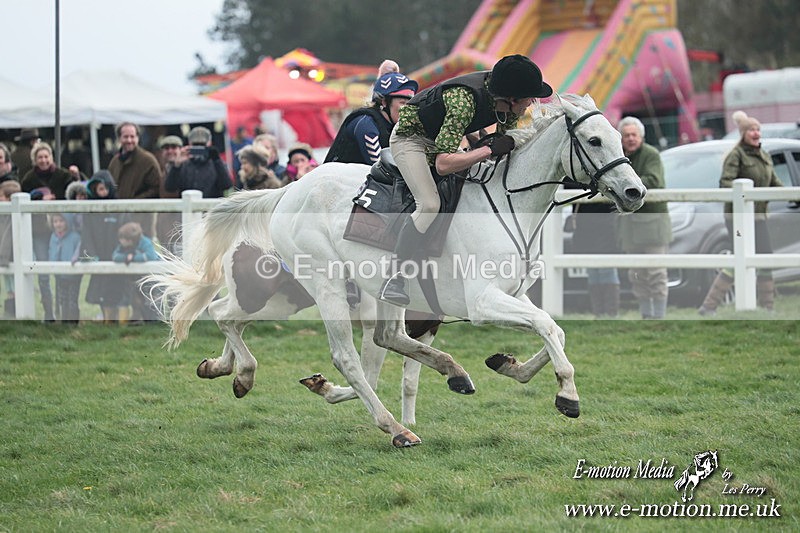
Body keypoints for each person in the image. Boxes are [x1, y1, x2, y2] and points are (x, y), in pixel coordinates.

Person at [379, 54, 553, 305]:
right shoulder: (463, 101)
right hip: (411, 139)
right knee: (430, 205)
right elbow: (443, 164)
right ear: (512, 98)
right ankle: (394, 277)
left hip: (439, 137)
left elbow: (503, 152)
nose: (531, 103)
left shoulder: (506, 103)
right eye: (529, 98)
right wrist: (488, 150)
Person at [698, 111, 784, 315]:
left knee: (765, 257)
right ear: (743, 133)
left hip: (759, 216)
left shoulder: (764, 155)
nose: (755, 133)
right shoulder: (736, 155)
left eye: (757, 129)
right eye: (751, 130)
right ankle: (709, 305)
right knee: (741, 257)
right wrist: (746, 196)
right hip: (738, 218)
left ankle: (767, 307)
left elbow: (774, 182)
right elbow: (725, 183)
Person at [615, 117, 672, 319]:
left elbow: (654, 181)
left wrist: (626, 184)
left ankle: (659, 315)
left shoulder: (651, 154)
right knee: (636, 274)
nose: (630, 139)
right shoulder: (618, 155)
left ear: (641, 136)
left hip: (653, 225)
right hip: (630, 225)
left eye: (634, 135)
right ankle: (646, 314)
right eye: (626, 135)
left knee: (656, 272)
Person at [20, 142, 82, 321]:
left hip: (61, 230)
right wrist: (39, 197)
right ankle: (48, 312)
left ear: (51, 157)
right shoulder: (29, 179)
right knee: (43, 272)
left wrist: (76, 175)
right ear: (35, 159)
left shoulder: (63, 175)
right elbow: (24, 195)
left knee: (62, 272)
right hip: (40, 230)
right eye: (40, 157)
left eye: (46, 156)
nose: (43, 160)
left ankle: (63, 311)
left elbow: (75, 190)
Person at [325, 60, 418, 165]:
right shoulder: (366, 124)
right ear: (384, 102)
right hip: (335, 179)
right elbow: (380, 166)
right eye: (402, 103)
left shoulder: (395, 126)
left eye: (409, 103)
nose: (407, 109)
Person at [81, 171, 129, 323]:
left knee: (118, 289)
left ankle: (118, 321)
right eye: (99, 189)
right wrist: (91, 254)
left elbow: (125, 230)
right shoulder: (90, 211)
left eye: (105, 188)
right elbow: (86, 234)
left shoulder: (119, 208)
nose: (102, 192)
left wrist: (120, 251)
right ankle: (107, 319)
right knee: (101, 290)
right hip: (99, 255)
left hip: (115, 255)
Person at [568, 197, 620, 318]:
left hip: (603, 225)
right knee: (593, 273)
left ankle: (609, 314)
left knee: (606, 271)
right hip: (587, 227)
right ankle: (600, 313)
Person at [107, 122, 161, 236]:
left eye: (132, 136)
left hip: (141, 222)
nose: (129, 140)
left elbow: (156, 189)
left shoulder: (148, 161)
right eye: (126, 137)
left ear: (137, 138)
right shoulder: (115, 162)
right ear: (119, 138)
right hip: (117, 219)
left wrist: (133, 204)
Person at [113, 221, 161, 324]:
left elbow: (150, 256)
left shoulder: (145, 243)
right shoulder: (123, 247)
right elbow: (115, 256)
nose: (120, 241)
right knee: (139, 301)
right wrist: (126, 257)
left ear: (130, 240)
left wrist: (134, 257)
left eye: (123, 239)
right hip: (139, 277)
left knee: (153, 301)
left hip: (153, 276)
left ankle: (155, 324)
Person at [164, 126, 231, 198]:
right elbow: (170, 188)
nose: (199, 148)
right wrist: (177, 165)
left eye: (202, 145)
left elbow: (226, 186)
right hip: (188, 207)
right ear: (190, 144)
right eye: (195, 145)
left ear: (209, 144)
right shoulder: (183, 164)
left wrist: (217, 161)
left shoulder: (216, 164)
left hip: (210, 207)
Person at [48, 213, 82, 324]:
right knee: (62, 299)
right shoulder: (53, 237)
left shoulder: (75, 237)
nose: (58, 224)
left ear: (67, 222)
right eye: (55, 221)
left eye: (61, 221)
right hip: (60, 275)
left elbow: (79, 254)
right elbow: (51, 254)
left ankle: (73, 324)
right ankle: (64, 323)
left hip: (73, 276)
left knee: (72, 300)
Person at [156, 135, 184, 254]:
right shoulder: (162, 170)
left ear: (180, 150)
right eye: (166, 148)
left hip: (182, 222)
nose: (170, 151)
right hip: (165, 221)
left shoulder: (186, 168)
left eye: (174, 147)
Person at [0, 180, 21, 317]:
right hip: (4, 257)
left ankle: (15, 314)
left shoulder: (14, 216)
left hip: (12, 256)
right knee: (8, 286)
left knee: (14, 287)